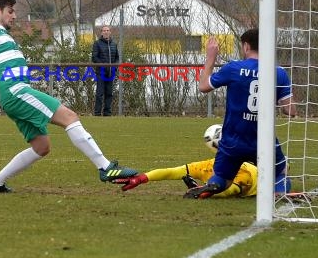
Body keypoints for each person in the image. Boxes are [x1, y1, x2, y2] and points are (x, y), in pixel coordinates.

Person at [0, 0, 137, 192]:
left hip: (14, 95)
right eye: (10, 11)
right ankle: (105, 167)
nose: (14, 16)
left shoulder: (2, 35)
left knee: (42, 146)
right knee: (70, 117)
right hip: (16, 91)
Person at [183, 29, 296, 199]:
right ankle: (279, 192)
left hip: (232, 140)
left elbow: (203, 87)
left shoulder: (233, 68)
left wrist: (211, 58)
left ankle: (211, 186)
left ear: (246, 46)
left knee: (224, 180)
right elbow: (291, 111)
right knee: (281, 171)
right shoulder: (278, 72)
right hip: (263, 140)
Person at [116, 157, 258, 198]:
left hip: (272, 181)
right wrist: (142, 178)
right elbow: (171, 172)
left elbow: (231, 190)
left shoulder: (243, 171)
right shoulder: (206, 165)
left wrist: (205, 192)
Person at [92, 25, 118, 116]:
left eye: (108, 30)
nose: (106, 32)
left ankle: (107, 113)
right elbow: (94, 57)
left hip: (111, 73)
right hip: (101, 72)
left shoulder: (114, 44)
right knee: (99, 94)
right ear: (101, 32)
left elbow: (117, 58)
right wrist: (104, 66)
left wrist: (115, 68)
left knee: (109, 93)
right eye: (104, 30)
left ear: (110, 32)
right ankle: (97, 113)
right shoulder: (97, 43)